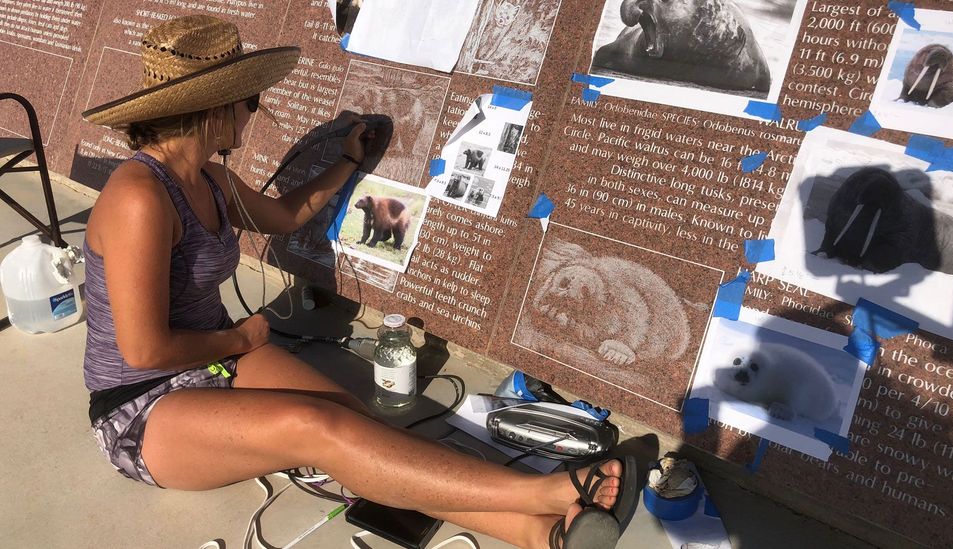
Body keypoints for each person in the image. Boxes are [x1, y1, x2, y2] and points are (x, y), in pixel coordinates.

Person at [80, 15, 640, 549]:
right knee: (317, 426)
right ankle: (544, 492)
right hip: (139, 405)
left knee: (358, 425)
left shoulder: (210, 178)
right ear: (215, 109)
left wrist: (349, 162)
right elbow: (144, 350)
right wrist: (240, 338)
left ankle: (538, 535)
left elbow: (286, 215)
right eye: (250, 100)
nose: (255, 112)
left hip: (214, 358)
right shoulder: (140, 197)